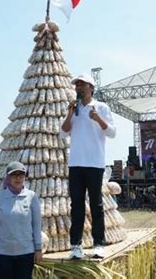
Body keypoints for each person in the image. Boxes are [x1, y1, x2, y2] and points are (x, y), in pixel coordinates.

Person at [60, 73, 116, 259]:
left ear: (91, 87)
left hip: (94, 163)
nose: (79, 87)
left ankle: (98, 244)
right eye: (77, 85)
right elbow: (63, 133)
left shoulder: (102, 107)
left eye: (82, 84)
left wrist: (98, 119)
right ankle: (76, 246)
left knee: (96, 204)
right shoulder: (73, 108)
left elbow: (112, 133)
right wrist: (69, 113)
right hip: (75, 163)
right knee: (76, 205)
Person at [0, 161, 42, 279]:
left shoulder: (32, 197)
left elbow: (37, 224)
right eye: (14, 175)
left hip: (26, 253)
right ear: (8, 177)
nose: (18, 178)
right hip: (2, 253)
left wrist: (38, 248)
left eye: (21, 175)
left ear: (25, 177)